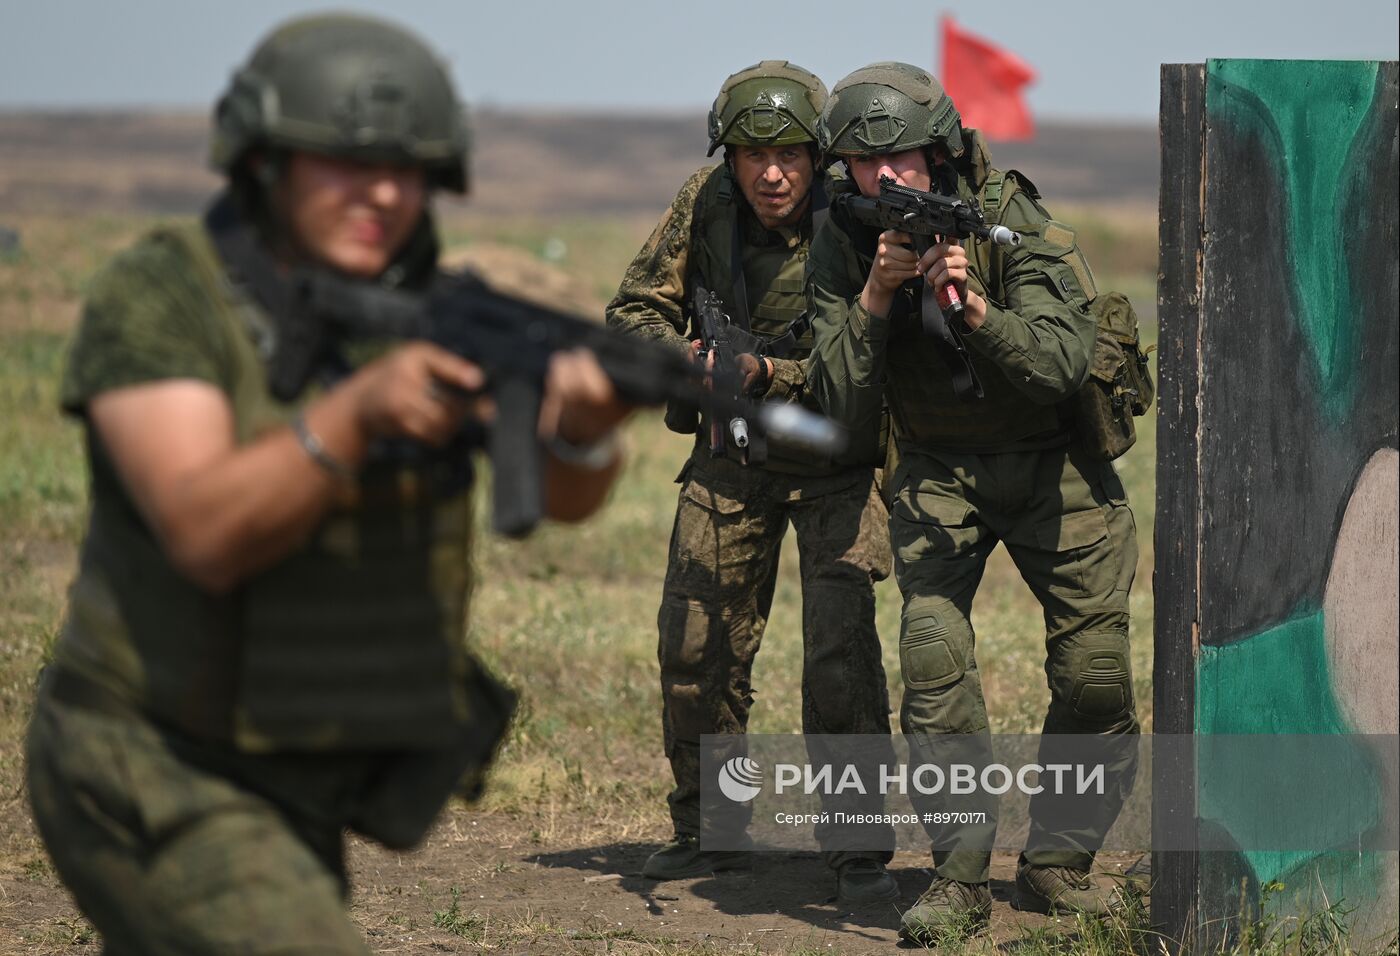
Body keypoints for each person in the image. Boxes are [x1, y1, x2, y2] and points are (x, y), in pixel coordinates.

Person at [24, 14, 630, 954]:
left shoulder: (423, 306)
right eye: (348, 164)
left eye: (410, 169)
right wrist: (353, 418)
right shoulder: (165, 296)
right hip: (149, 759)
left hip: (291, 763)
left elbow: (561, 502)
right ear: (266, 163)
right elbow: (204, 532)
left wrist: (586, 433)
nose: (384, 192)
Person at [805, 62, 1140, 942]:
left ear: (940, 152)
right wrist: (879, 294)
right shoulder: (841, 242)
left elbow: (1064, 367)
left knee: (1095, 679)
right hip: (937, 470)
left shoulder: (1014, 221)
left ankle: (1059, 864)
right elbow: (836, 405)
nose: (886, 181)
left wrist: (978, 311)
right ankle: (958, 878)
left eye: (904, 161)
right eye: (864, 167)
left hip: (1052, 466)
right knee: (932, 656)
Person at [606, 61, 898, 905]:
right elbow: (632, 308)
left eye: (789, 156)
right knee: (697, 650)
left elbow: (870, 354)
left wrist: (768, 370)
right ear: (728, 157)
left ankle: (855, 851)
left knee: (840, 662)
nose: (771, 174)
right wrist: (685, 360)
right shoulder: (706, 204)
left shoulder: (857, 219)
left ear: (817, 155)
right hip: (731, 463)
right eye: (750, 154)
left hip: (838, 470)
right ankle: (713, 830)